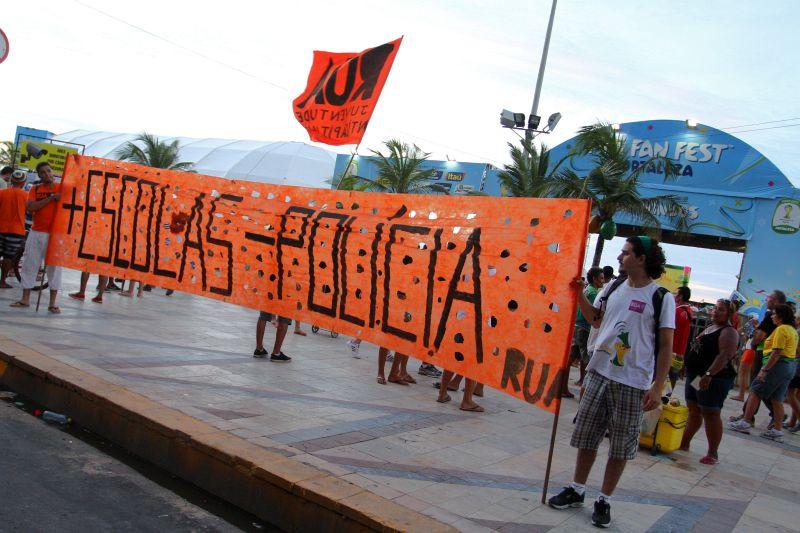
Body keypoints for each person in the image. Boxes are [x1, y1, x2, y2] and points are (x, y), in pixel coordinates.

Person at [548, 236, 675, 529]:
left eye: (626, 252)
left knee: (620, 445)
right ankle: (577, 489)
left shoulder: (661, 297)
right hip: (599, 372)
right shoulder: (613, 286)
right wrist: (580, 294)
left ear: (642, 258)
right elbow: (595, 319)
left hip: (632, 382)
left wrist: (657, 387)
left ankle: (604, 499)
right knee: (587, 435)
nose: (620, 257)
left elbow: (666, 346)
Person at [679, 299, 738, 465]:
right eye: (715, 309)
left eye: (721, 310)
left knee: (710, 412)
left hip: (714, 379)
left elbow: (724, 355)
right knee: (694, 408)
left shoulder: (729, 332)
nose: (716, 312)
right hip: (696, 376)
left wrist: (709, 374)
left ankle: (713, 453)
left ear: (729, 314)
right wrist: (686, 364)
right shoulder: (710, 327)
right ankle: (684, 443)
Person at [729, 303, 797, 441]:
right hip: (789, 366)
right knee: (777, 398)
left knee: (755, 390)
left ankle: (745, 422)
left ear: (780, 316)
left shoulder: (781, 329)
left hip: (778, 365)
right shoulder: (792, 330)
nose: (771, 316)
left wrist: (765, 369)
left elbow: (777, 352)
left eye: (774, 314)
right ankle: (777, 430)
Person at [9, 162, 63, 313]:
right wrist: (50, 198)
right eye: (43, 172)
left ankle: (52, 303)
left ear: (52, 171)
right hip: (37, 232)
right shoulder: (35, 188)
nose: (47, 174)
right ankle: (25, 299)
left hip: (56, 234)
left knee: (55, 268)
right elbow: (31, 207)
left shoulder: (62, 188)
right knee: (30, 264)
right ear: (39, 175)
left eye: (48, 171)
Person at [730, 290, 786, 427]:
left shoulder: (770, 315)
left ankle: (770, 415)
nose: (766, 299)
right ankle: (751, 415)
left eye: (770, 298)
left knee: (758, 387)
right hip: (770, 354)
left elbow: (760, 336)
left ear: (777, 302)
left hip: (763, 353)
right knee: (759, 387)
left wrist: (754, 341)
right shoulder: (780, 318)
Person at [569, 267, 604, 390]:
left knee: (573, 355)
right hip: (585, 327)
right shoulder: (594, 293)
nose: (603, 281)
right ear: (594, 279)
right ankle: (583, 381)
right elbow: (593, 312)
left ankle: (564, 382)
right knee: (585, 357)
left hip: (578, 325)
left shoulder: (586, 290)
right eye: (601, 278)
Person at [0, 170, 29, 288]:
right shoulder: (26, 196)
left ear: (11, 181)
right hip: (16, 232)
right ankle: (2, 282)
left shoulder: (2, 193)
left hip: (0, 228)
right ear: (23, 183)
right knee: (8, 257)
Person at [669, 286, 694, 390]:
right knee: (673, 376)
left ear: (680, 296)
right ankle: (668, 397)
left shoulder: (676, 311)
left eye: (676, 293)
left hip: (671, 349)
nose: (674, 295)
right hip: (681, 351)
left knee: (665, 375)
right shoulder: (689, 311)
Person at [731, 314, 759, 402]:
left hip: (750, 351)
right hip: (749, 350)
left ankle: (741, 395)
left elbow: (740, 332)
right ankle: (742, 394)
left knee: (743, 373)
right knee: (745, 373)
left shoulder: (756, 330)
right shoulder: (755, 329)